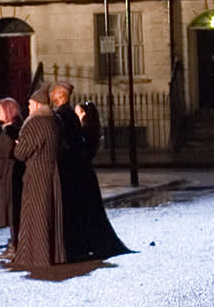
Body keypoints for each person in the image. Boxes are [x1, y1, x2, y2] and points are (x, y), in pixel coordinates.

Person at [52, 84, 130, 262]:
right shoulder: (82, 129)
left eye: (79, 112)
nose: (77, 114)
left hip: (83, 176)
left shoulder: (83, 130)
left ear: (84, 115)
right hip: (86, 176)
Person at [11, 92, 67, 269]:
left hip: (37, 174)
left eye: (29, 104)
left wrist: (19, 145)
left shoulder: (35, 122)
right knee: (50, 213)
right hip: (53, 172)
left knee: (36, 215)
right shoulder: (55, 121)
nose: (27, 107)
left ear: (36, 104)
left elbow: (21, 153)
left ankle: (37, 255)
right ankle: (54, 253)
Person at [0, 96, 24, 260]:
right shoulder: (11, 128)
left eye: (0, 109)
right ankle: (14, 241)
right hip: (8, 173)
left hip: (9, 174)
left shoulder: (11, 130)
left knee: (12, 210)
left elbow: (5, 151)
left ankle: (15, 244)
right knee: (11, 210)